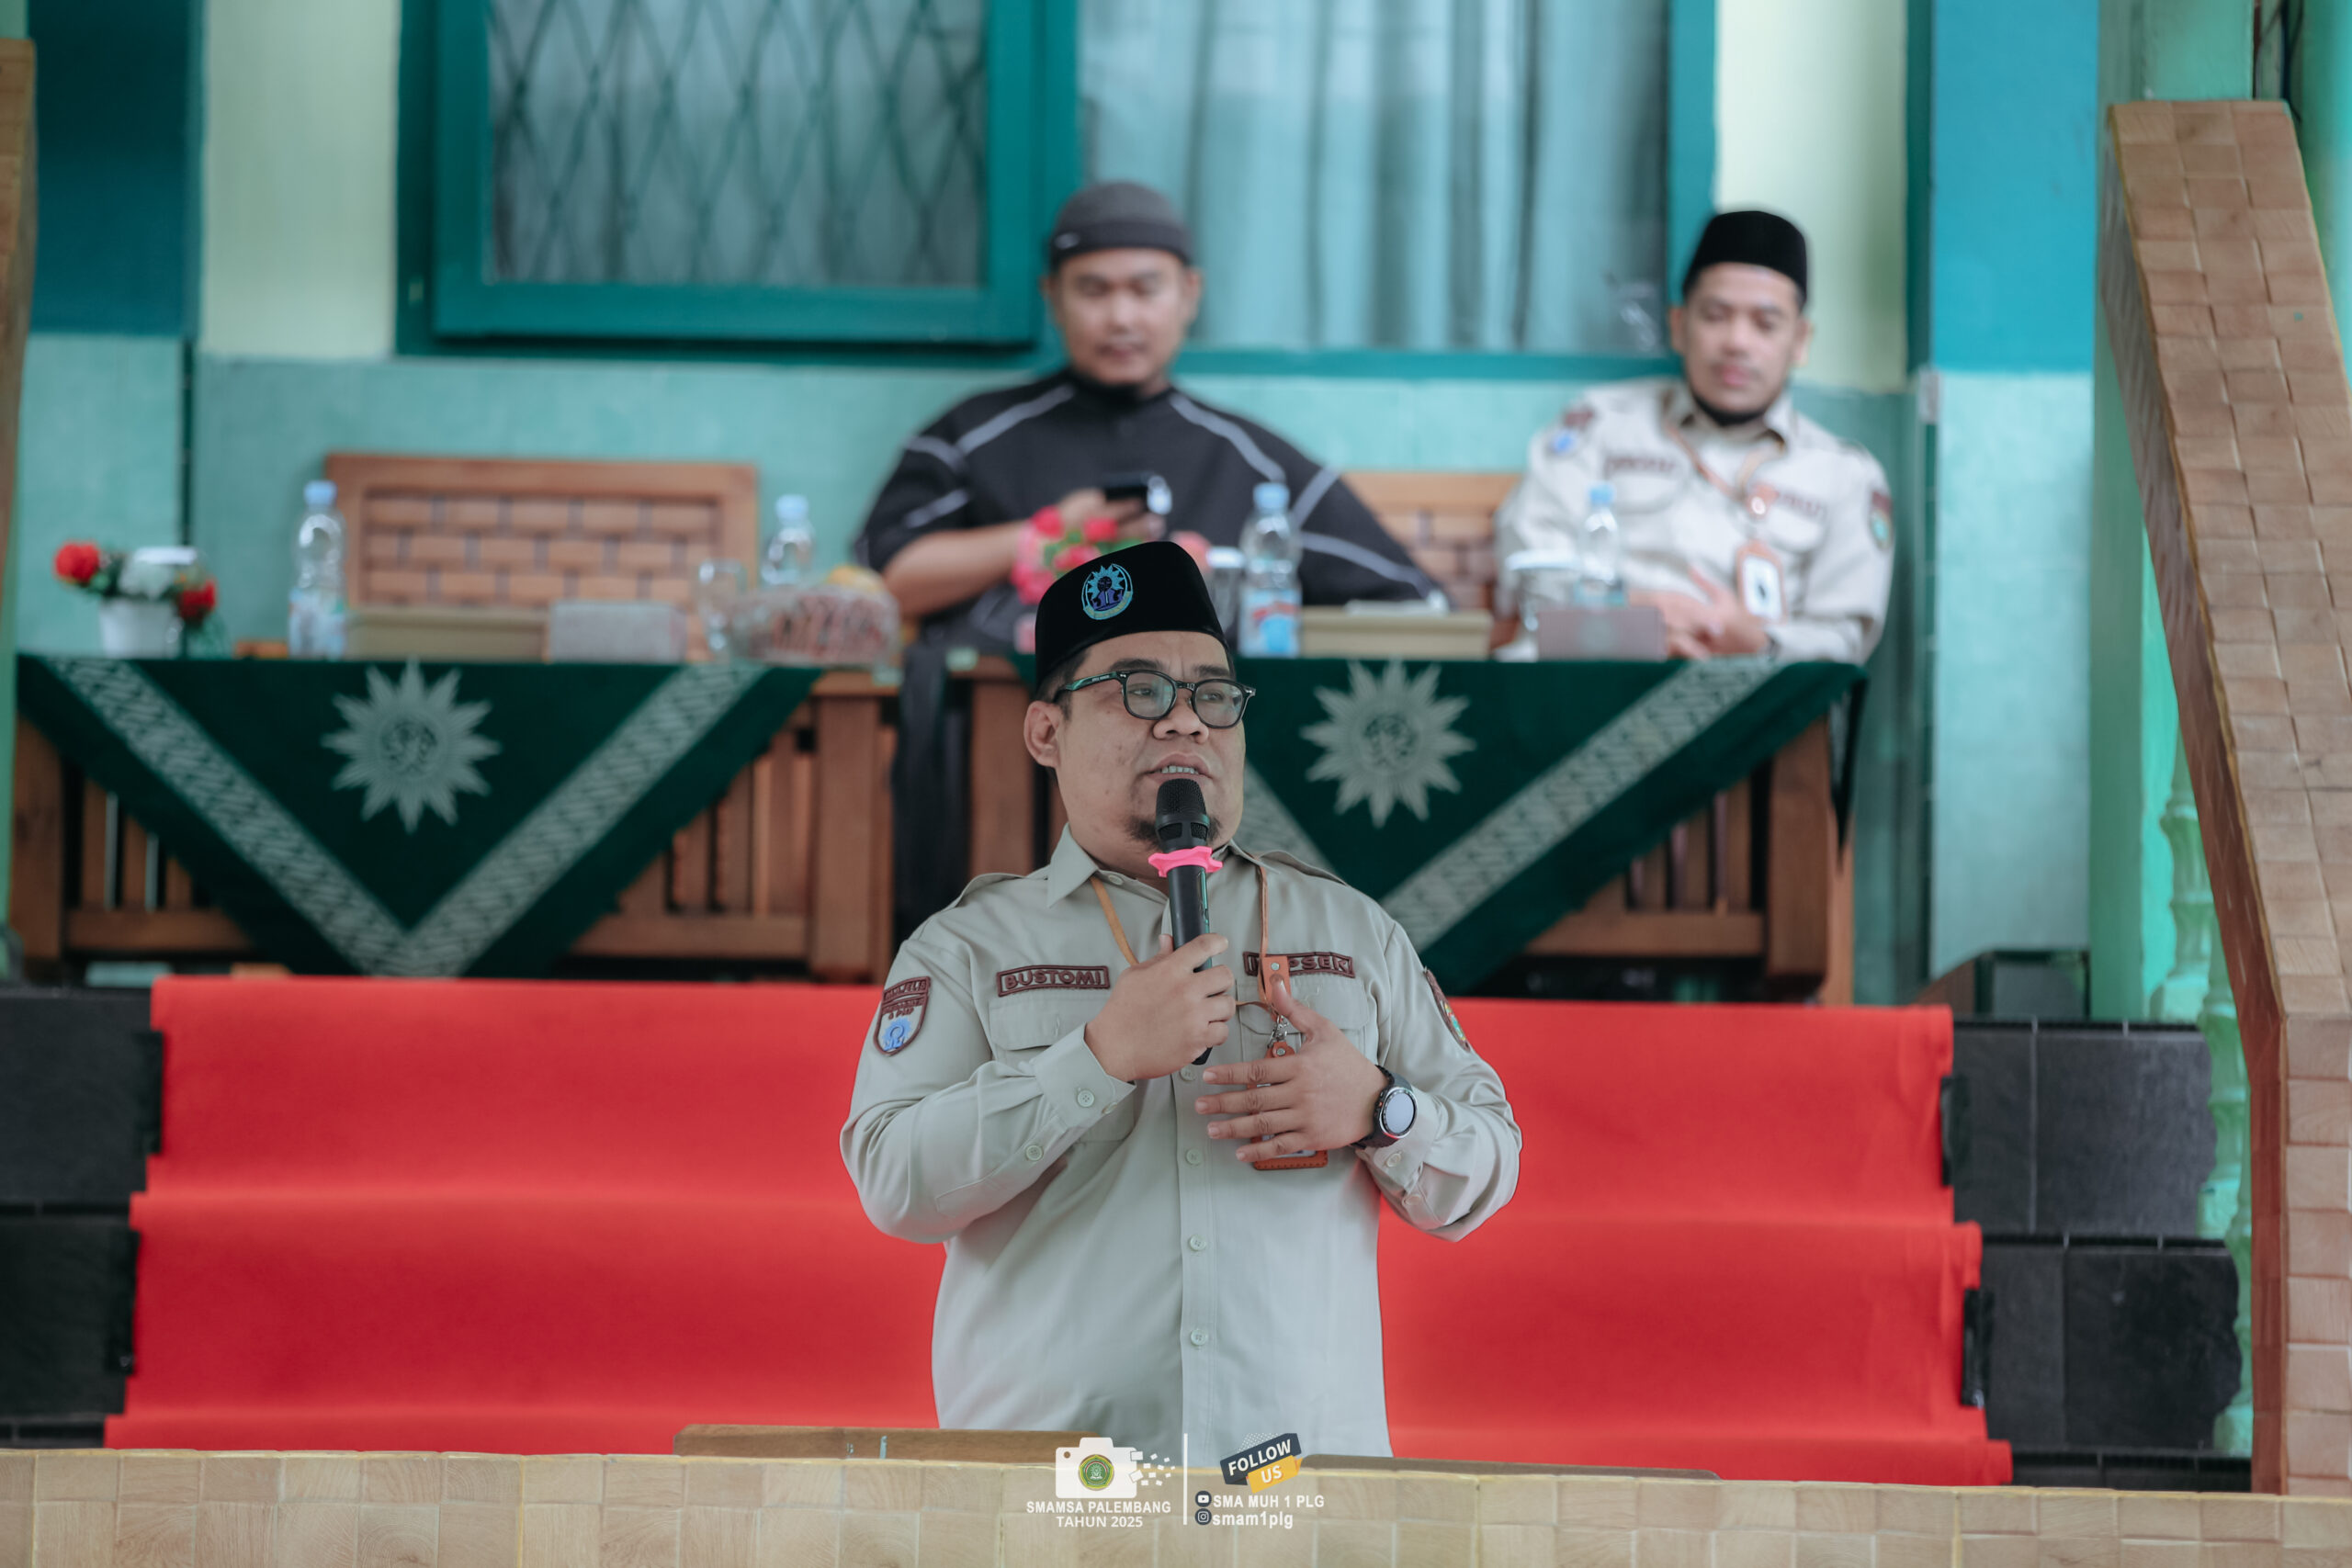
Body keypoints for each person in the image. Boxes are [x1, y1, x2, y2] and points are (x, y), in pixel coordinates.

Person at [841, 540, 1519, 1462]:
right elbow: (895, 1185)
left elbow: (1487, 1165)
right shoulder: (969, 947)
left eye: (1212, 696)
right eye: (1141, 690)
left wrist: (1380, 1108)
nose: (1186, 722)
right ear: (1045, 733)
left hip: (1293, 1480)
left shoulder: (1351, 928)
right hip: (1061, 1485)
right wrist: (1095, 1060)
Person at [856, 181, 1442, 936]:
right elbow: (893, 581)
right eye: (1094, 290)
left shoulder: (1248, 458)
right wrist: (1046, 535)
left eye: (1144, 288)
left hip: (1209, 784)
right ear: (1052, 297)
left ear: (1189, 293)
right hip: (997, 774)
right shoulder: (975, 434)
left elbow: (1407, 597)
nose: (1121, 316)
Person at [1496, 209, 1894, 663]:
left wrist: (1760, 643)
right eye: (1715, 316)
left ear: (1800, 339)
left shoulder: (1845, 476)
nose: (1737, 342)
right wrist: (1624, 615)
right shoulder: (1601, 426)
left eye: (1765, 324)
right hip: (1601, 667)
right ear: (1679, 325)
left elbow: (1844, 640)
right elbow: (1528, 566)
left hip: (1752, 687)